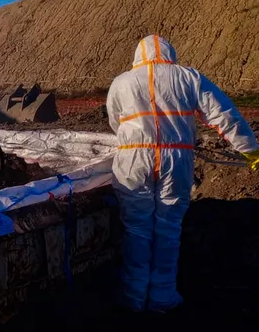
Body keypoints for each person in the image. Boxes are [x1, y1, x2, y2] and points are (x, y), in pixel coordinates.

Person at [106, 35, 259, 312]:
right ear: (169, 53)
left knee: (136, 229)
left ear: (138, 55)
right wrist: (250, 150)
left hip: (132, 159)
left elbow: (114, 121)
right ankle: (163, 297)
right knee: (168, 228)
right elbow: (222, 113)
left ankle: (134, 297)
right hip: (176, 157)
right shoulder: (189, 77)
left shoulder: (121, 82)